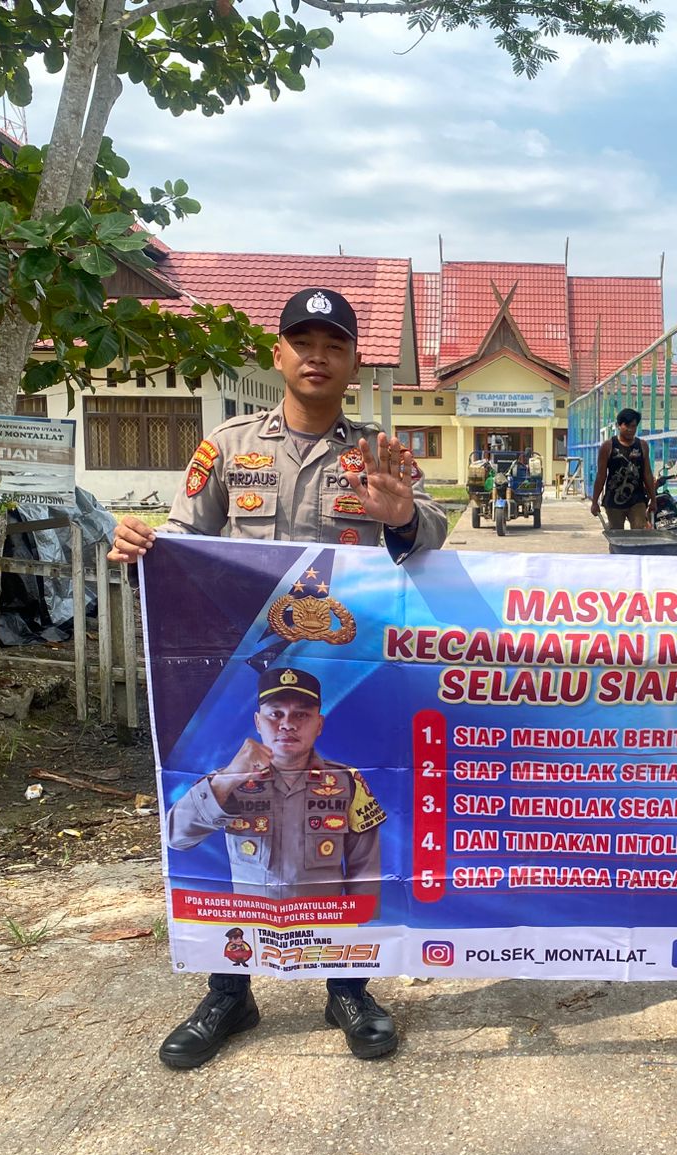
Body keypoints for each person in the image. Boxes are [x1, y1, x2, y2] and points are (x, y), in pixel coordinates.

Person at [108, 286, 447, 1070]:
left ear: (355, 361)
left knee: (342, 821)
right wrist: (140, 551)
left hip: (347, 679)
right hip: (241, 680)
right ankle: (229, 989)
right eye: (303, 341)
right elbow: (183, 547)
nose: (317, 356)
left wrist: (402, 516)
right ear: (279, 353)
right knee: (231, 813)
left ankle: (348, 985)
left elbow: (430, 537)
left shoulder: (382, 455)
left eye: (334, 344)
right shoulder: (228, 448)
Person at [166, 665, 384, 904]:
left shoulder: (347, 782)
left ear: (319, 724)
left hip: (322, 923)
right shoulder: (227, 780)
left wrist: (361, 922)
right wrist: (228, 778)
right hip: (253, 922)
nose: (287, 725)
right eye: (275, 714)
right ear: (258, 722)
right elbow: (177, 838)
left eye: (301, 715)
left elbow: (365, 872)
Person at [592, 407, 656, 529]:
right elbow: (601, 475)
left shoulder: (642, 446)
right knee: (617, 534)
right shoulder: (608, 447)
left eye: (633, 426)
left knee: (639, 531)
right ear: (618, 425)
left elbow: (647, 474)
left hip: (637, 499)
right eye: (626, 426)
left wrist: (653, 499)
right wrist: (594, 502)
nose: (630, 430)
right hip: (614, 501)